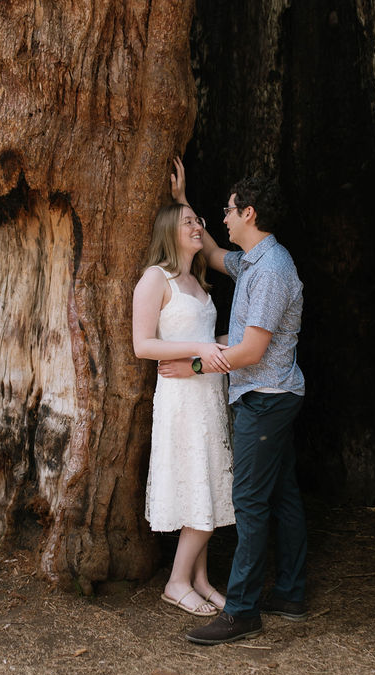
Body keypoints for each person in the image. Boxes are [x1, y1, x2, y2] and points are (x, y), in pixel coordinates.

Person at [159, 159, 308, 645]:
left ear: (249, 213)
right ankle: (289, 592)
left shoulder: (272, 272)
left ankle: (242, 610)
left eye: (227, 210)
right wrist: (183, 206)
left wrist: (192, 366)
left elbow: (249, 351)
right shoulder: (255, 261)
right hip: (273, 395)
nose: (221, 218)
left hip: (265, 399)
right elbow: (217, 253)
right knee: (282, 497)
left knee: (248, 502)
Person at [132, 194, 236, 618]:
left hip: (208, 395)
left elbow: (211, 346)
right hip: (180, 400)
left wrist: (238, 344)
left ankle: (199, 579)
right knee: (200, 483)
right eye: (188, 222)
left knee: (208, 485)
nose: (198, 227)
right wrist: (201, 347)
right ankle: (176, 582)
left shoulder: (197, 282)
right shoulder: (155, 279)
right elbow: (143, 345)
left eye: (200, 221)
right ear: (168, 234)